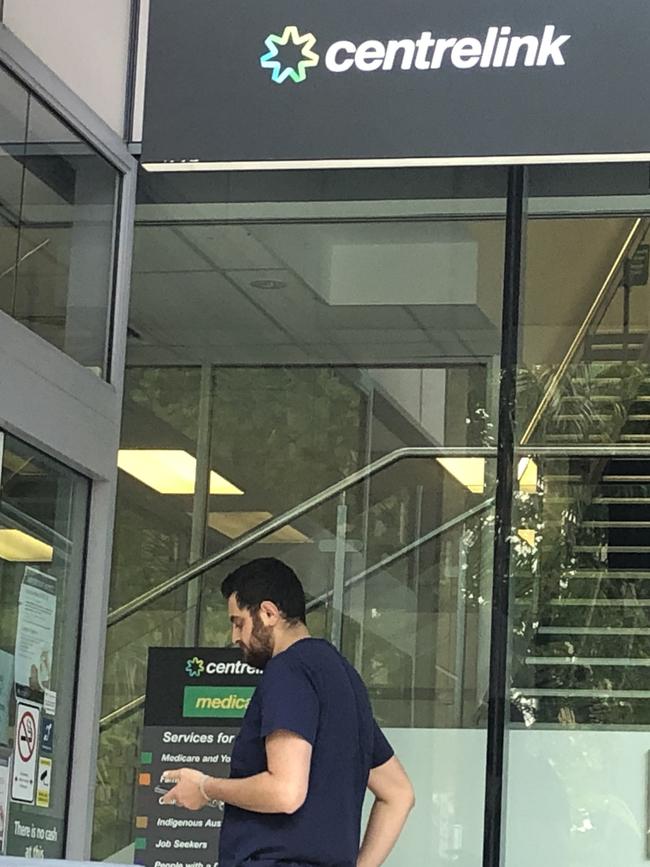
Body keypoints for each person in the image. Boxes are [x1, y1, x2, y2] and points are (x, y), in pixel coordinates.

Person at [161, 557, 415, 867]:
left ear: (268, 613)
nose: (235, 637)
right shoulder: (344, 678)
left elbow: (286, 791)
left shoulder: (287, 670)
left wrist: (205, 787)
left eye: (238, 622)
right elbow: (399, 794)